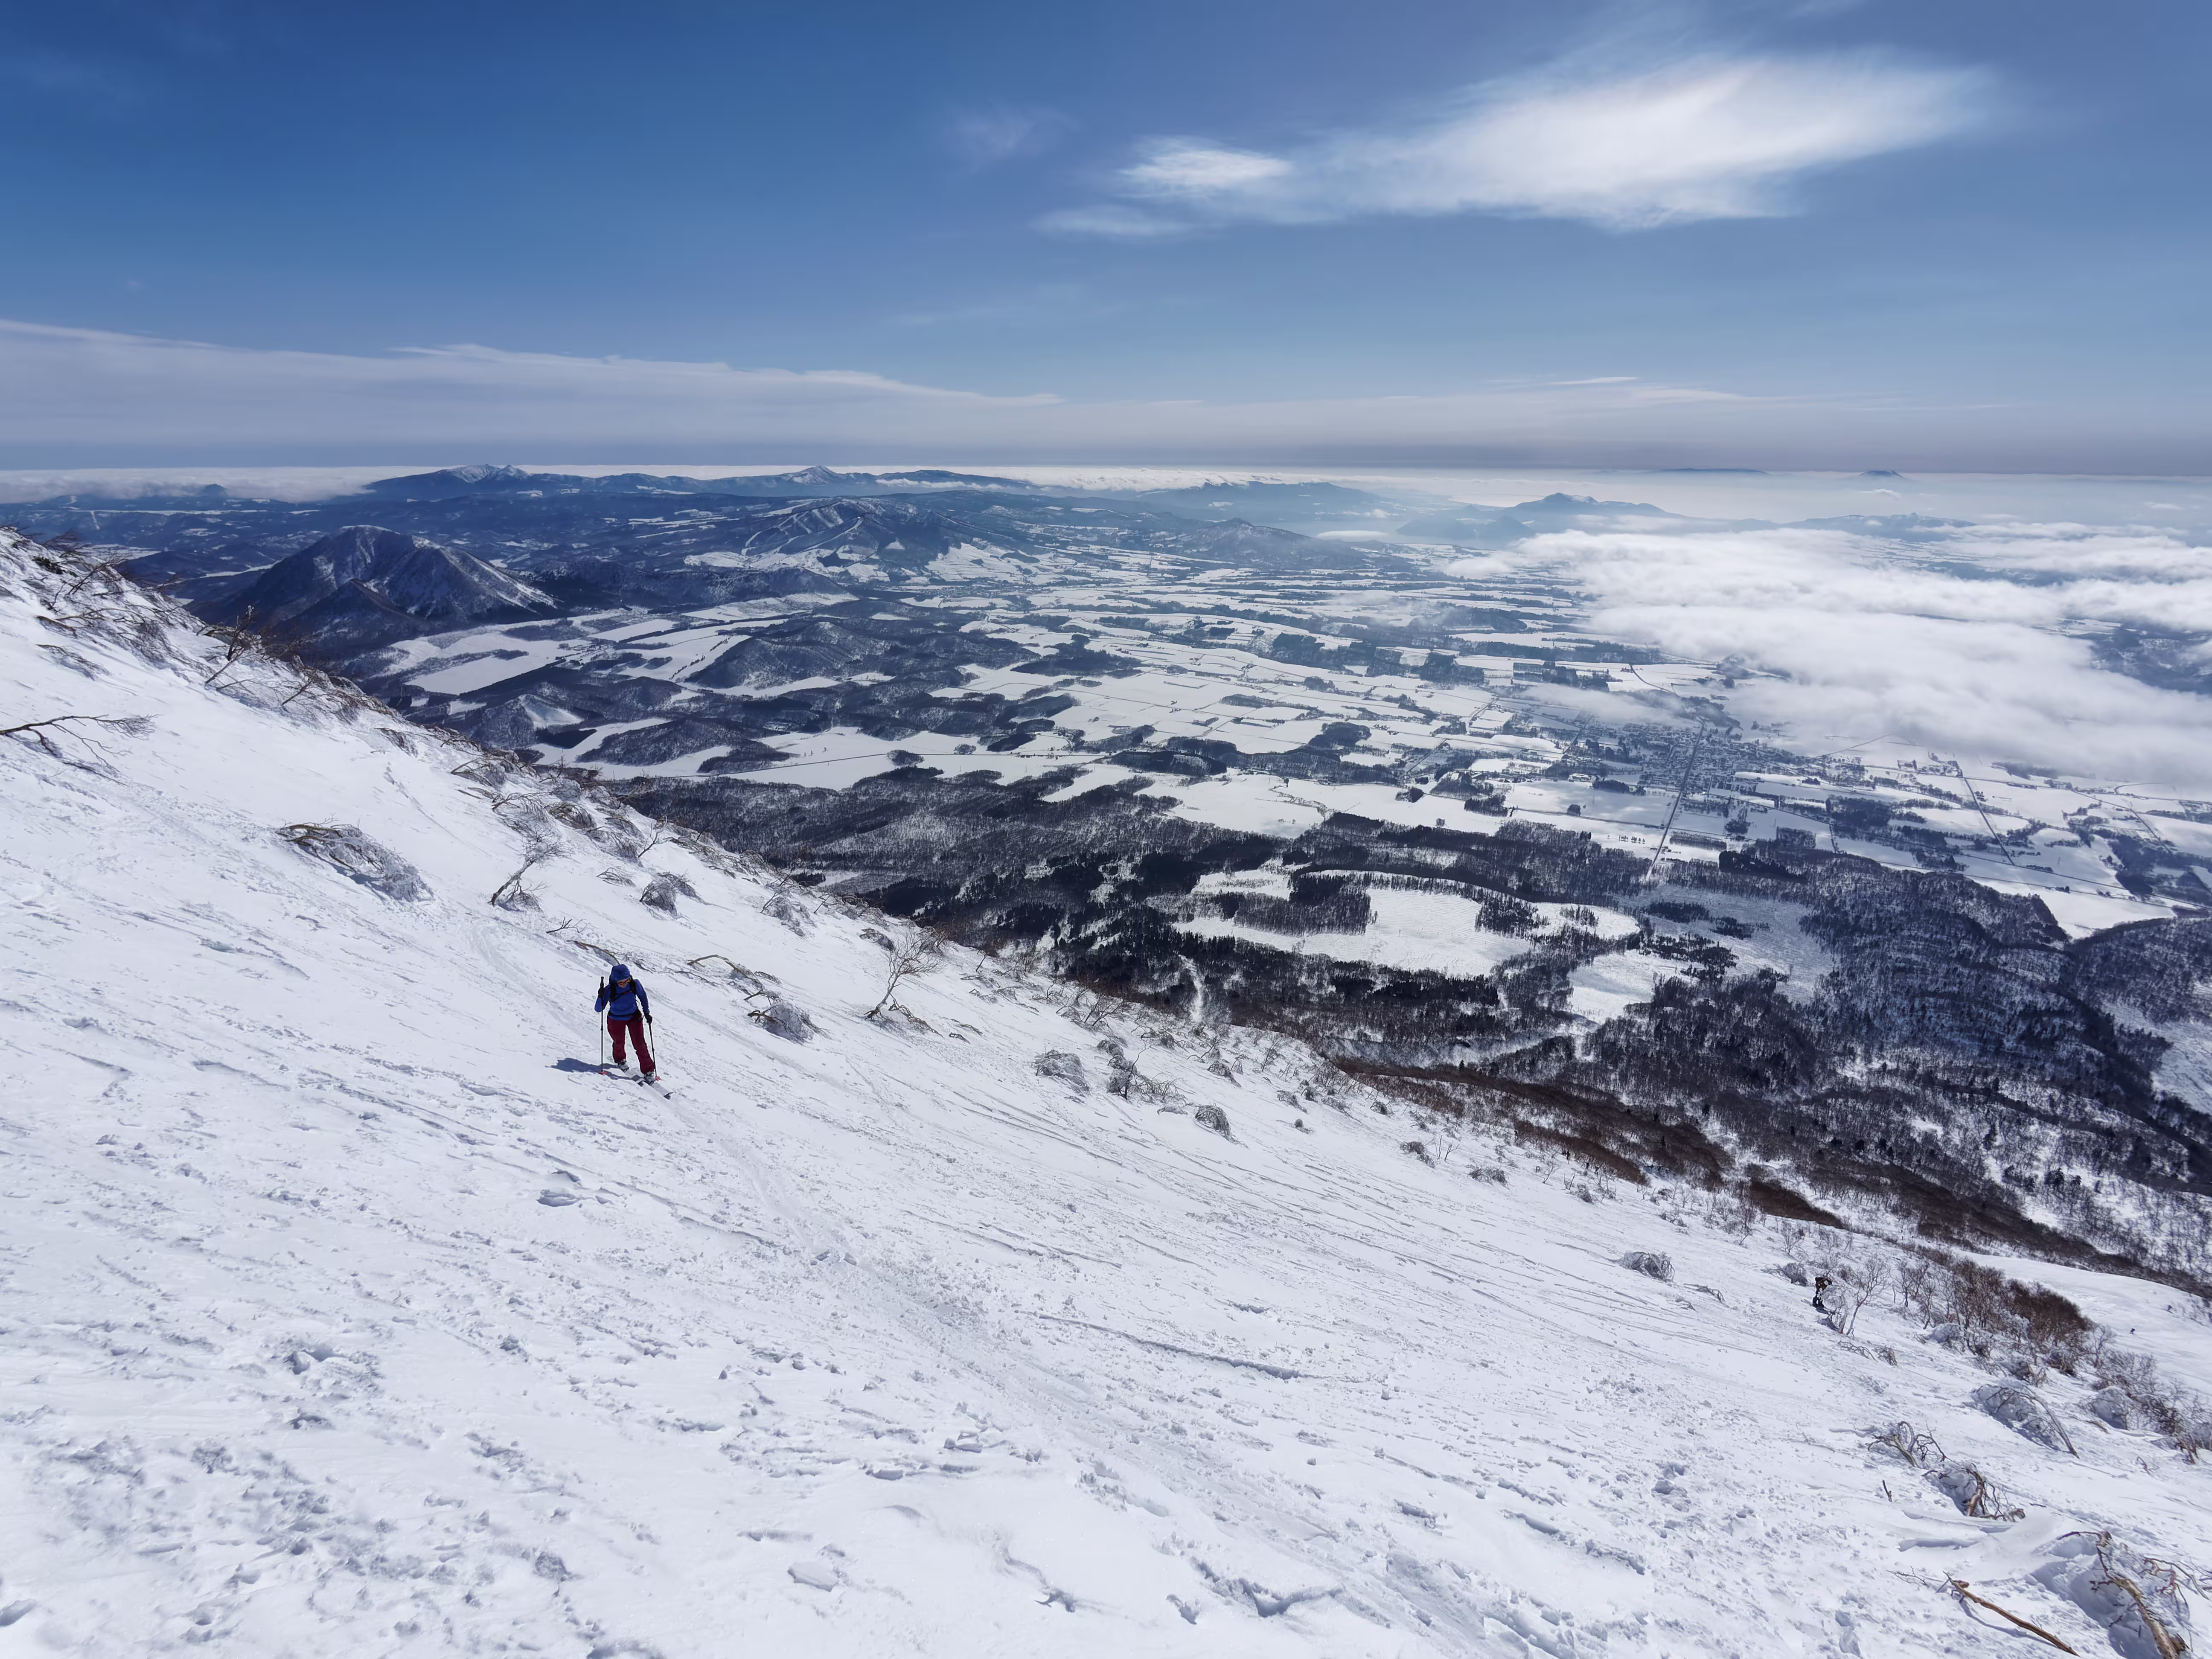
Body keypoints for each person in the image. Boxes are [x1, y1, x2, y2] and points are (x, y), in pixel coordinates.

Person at [596, 964, 655, 1078]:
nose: (624, 985)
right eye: (621, 983)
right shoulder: (610, 989)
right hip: (616, 1019)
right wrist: (601, 997)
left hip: (634, 1017)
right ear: (614, 981)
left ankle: (648, 1070)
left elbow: (643, 997)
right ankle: (620, 1060)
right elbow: (599, 1009)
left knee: (640, 1044)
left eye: (626, 981)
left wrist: (647, 1012)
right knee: (619, 1042)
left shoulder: (634, 984)